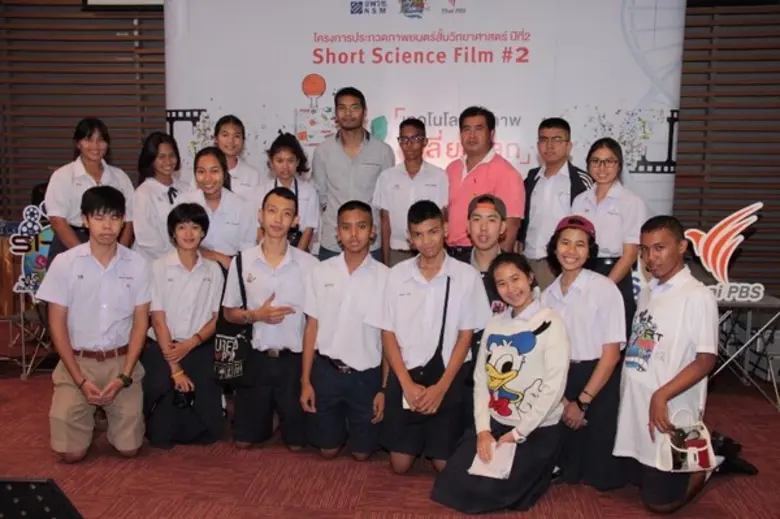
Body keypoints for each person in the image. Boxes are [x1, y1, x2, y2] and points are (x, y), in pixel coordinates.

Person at [431, 252, 570, 514]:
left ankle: (545, 470)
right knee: (451, 484)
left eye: (516, 279)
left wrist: (518, 433)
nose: (511, 289)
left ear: (530, 277)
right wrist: (483, 430)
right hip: (497, 422)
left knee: (497, 494)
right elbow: (481, 380)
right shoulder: (495, 324)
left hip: (535, 428)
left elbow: (554, 387)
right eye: (502, 283)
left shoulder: (551, 322)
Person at [368, 200, 491, 474]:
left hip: (446, 376)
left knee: (443, 465)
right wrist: (406, 385)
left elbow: (465, 337)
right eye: (419, 234)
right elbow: (387, 333)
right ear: (409, 237)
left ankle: (436, 439)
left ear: (445, 229)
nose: (427, 241)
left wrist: (441, 388)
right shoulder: (396, 276)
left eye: (433, 232)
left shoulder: (466, 276)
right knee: (399, 466)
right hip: (407, 375)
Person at [613, 215, 719, 513]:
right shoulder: (648, 291)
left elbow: (706, 359)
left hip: (669, 408)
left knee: (661, 505)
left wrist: (662, 395)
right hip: (637, 406)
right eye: (645, 250)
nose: (650, 258)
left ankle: (706, 466)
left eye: (659, 248)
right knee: (629, 479)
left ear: (682, 246)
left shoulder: (698, 296)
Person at [36, 186, 150, 463]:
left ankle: (106, 419)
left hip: (122, 361)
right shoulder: (65, 263)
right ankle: (90, 415)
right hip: (77, 361)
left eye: (114, 217)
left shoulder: (137, 264)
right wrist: (80, 380)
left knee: (129, 450)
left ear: (123, 220)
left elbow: (140, 324)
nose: (107, 226)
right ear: (85, 220)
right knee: (70, 454)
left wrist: (124, 376)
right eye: (99, 217)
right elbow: (57, 327)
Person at [223, 187, 319, 450]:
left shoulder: (309, 266)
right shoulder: (242, 262)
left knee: (298, 445)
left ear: (295, 221)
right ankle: (266, 416)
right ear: (260, 215)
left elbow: (315, 321)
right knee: (244, 442)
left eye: (286, 214)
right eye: (272, 211)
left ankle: (280, 414)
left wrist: (307, 377)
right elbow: (228, 313)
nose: (278, 219)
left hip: (293, 362)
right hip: (255, 359)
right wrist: (256, 316)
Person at [541, 215, 625, 490]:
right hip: (562, 379)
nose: (571, 251)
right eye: (565, 243)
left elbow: (611, 355)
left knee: (601, 476)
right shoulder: (546, 296)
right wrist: (565, 402)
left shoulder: (604, 289)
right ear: (554, 248)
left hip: (598, 379)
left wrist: (582, 402)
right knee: (567, 471)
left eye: (580, 244)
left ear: (590, 252)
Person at [300, 201, 389, 460]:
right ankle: (338, 426)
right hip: (327, 372)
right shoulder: (320, 271)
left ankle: (355, 426)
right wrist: (305, 381)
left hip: (366, 376)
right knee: (327, 451)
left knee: (362, 454)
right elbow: (311, 328)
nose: (354, 234)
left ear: (372, 231)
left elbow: (388, 338)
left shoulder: (386, 277)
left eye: (361, 226)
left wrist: (384, 389)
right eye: (346, 227)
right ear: (337, 233)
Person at [142, 203, 225, 448]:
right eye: (181, 227)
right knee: (161, 434)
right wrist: (176, 369)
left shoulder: (213, 270)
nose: (188, 233)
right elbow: (158, 320)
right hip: (165, 347)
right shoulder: (158, 267)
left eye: (195, 227)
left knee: (211, 431)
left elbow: (216, 318)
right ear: (173, 233)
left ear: (203, 232)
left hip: (199, 346)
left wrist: (192, 343)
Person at [572, 137, 647, 336]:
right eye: (596, 161)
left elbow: (630, 254)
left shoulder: (631, 202)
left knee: (612, 337)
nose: (602, 167)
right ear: (588, 165)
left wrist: (604, 288)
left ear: (619, 165)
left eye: (609, 161)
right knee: (582, 336)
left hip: (616, 274)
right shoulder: (580, 201)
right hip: (583, 272)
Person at [312, 86, 395, 261]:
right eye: (342, 108)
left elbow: (385, 203)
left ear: (365, 112)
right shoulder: (323, 151)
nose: (348, 113)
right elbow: (321, 196)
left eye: (354, 107)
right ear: (336, 113)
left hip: (370, 244)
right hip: (333, 243)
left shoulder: (383, 152)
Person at [45, 117, 136, 265]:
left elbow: (129, 220)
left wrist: (120, 255)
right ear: (78, 143)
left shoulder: (119, 177)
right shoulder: (63, 176)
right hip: (71, 243)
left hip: (111, 246)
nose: (95, 146)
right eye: (88, 139)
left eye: (101, 140)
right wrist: (85, 256)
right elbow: (57, 221)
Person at [519, 118, 592, 291]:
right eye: (544, 140)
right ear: (538, 146)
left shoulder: (581, 181)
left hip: (562, 264)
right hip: (528, 261)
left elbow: (589, 228)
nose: (550, 146)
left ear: (569, 146)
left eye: (557, 139)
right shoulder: (531, 179)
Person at [445, 106, 525, 260]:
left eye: (478, 129)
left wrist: (496, 265)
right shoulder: (452, 169)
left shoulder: (507, 174)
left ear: (491, 134)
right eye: (466, 129)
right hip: (448, 255)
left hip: (482, 256)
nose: (472, 135)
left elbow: (510, 226)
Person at [459, 194, 509, 427]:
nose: (484, 227)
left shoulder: (515, 270)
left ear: (503, 227)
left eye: (492, 220)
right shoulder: (454, 269)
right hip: (459, 370)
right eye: (477, 219)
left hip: (502, 372)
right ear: (467, 226)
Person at [372, 117, 448, 266]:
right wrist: (386, 262)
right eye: (404, 139)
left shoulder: (439, 176)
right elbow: (385, 222)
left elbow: (442, 218)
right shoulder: (387, 177)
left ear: (425, 142)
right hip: (397, 252)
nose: (409, 145)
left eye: (415, 139)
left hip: (429, 252)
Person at [175, 146, 258, 271]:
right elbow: (177, 241)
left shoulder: (241, 207)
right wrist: (215, 256)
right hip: (191, 268)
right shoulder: (183, 202)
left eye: (214, 171)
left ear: (224, 173)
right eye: (201, 172)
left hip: (231, 269)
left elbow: (248, 250)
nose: (207, 178)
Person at [254, 132, 320, 251]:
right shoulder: (262, 190)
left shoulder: (309, 192)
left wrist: (297, 258)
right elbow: (259, 229)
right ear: (271, 162)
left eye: (290, 161)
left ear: (297, 162)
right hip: (267, 249)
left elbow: (308, 230)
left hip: (299, 250)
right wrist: (267, 255)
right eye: (279, 161)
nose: (285, 166)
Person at [132, 132, 190, 261]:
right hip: (152, 262)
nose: (168, 161)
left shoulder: (186, 189)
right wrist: (176, 258)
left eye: (171, 155)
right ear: (151, 159)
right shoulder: (143, 193)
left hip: (182, 260)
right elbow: (146, 238)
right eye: (161, 157)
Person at [210, 114, 262, 202]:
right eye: (225, 135)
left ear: (243, 140)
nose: (231, 141)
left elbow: (257, 206)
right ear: (215, 139)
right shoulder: (204, 171)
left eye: (237, 136)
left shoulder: (253, 175)